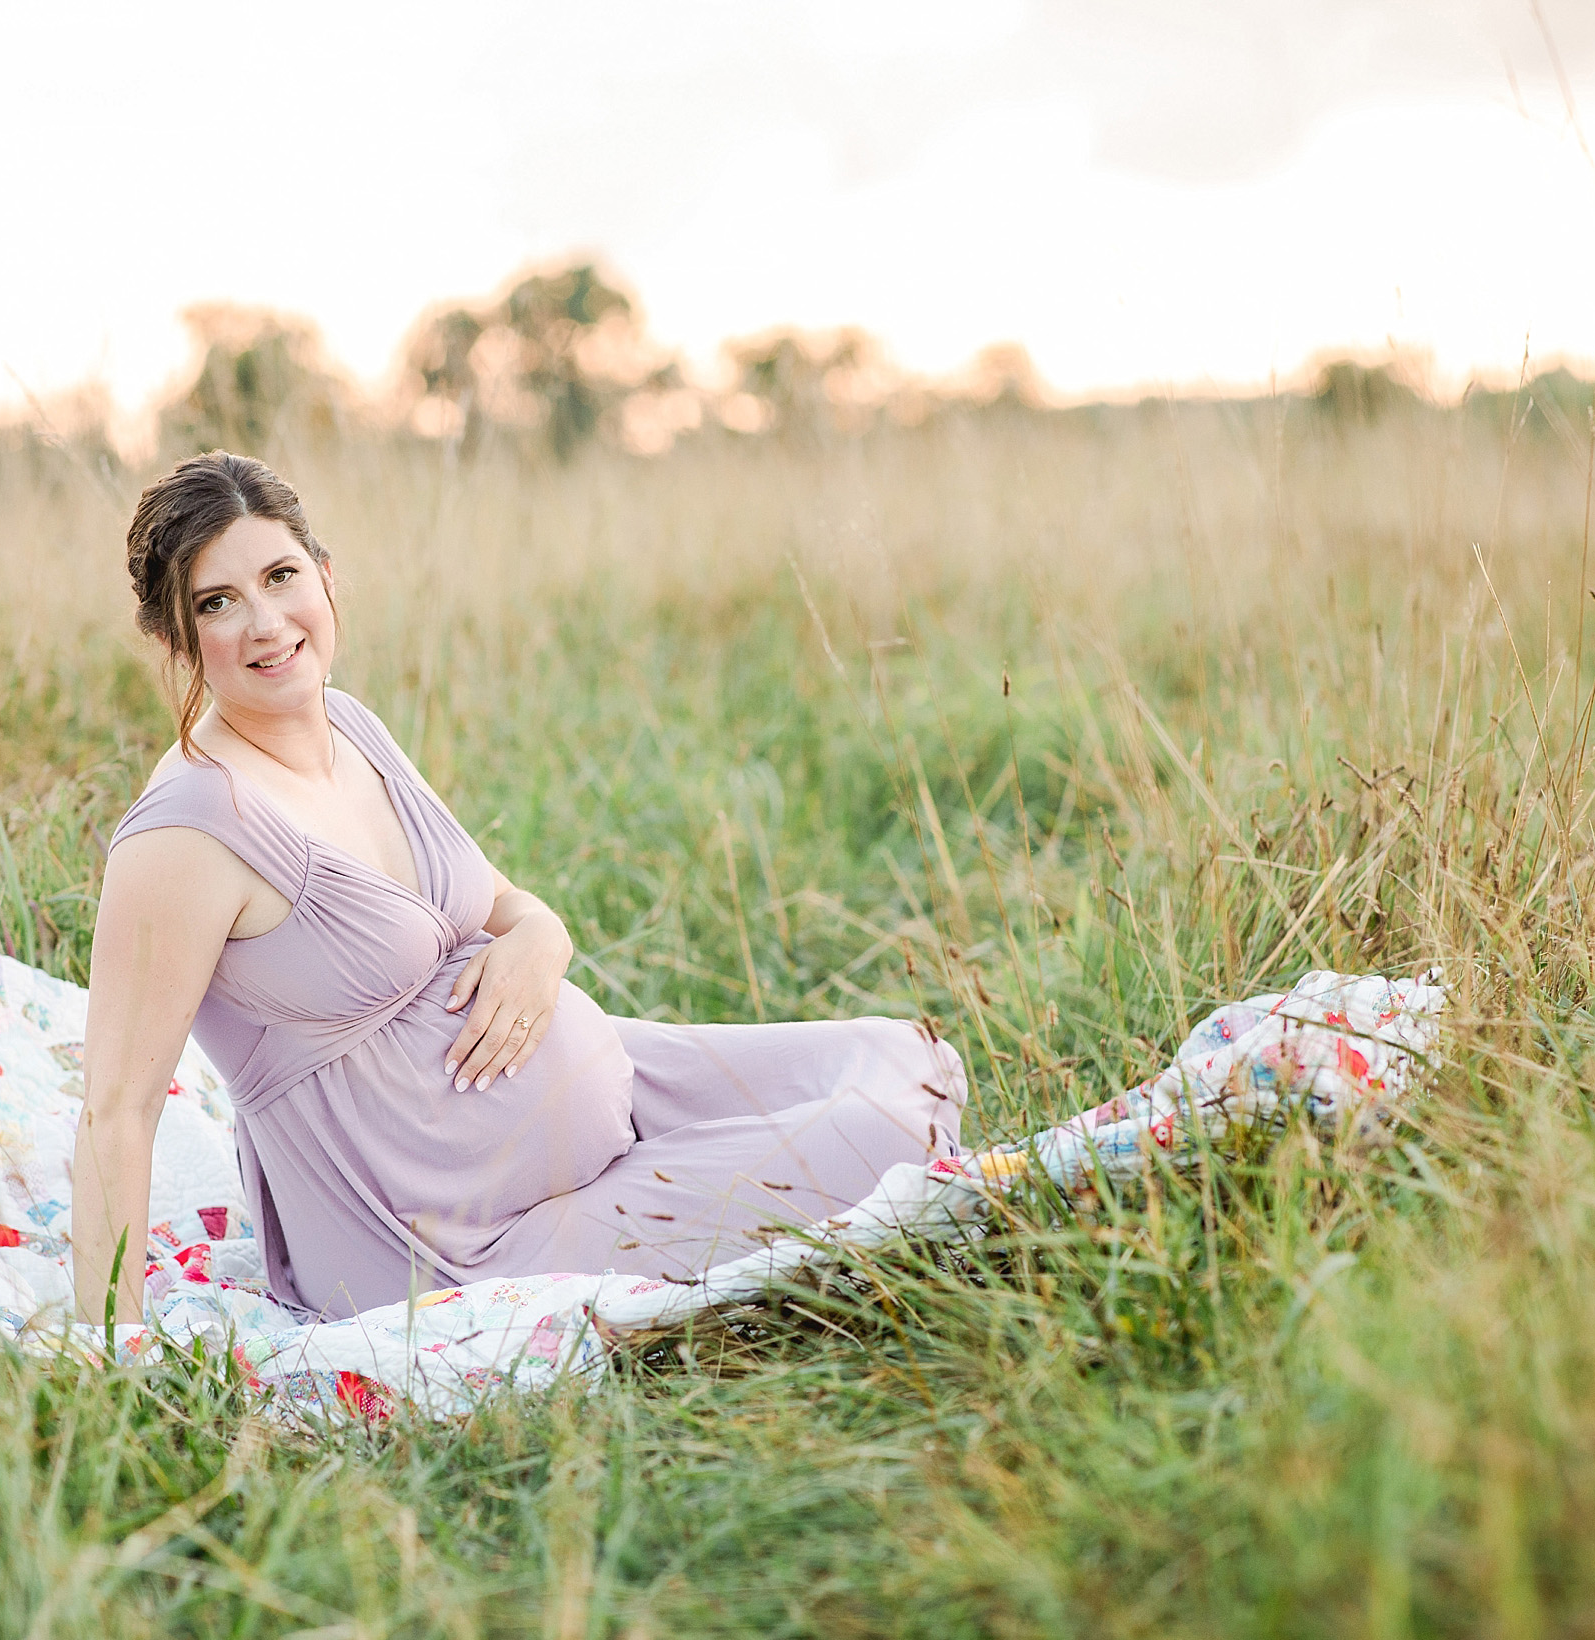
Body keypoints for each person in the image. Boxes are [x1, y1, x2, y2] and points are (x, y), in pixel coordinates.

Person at [72, 453, 966, 1321]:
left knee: (911, 1064)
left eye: (280, 575)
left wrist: (543, 937)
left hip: (602, 1107)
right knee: (893, 1135)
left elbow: (500, 903)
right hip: (442, 1244)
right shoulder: (187, 831)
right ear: (172, 635)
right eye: (217, 601)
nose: (265, 621)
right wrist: (110, 1352)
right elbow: (118, 1107)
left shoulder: (350, 725)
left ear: (328, 577)